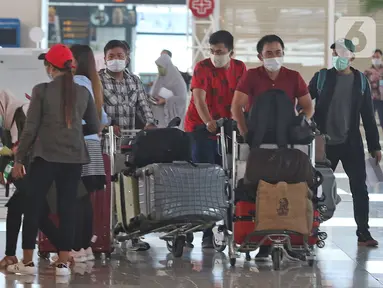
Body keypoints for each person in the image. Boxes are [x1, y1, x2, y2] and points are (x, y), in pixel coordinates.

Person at [7, 44, 100, 276]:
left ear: (50, 67)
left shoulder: (41, 90)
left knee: (33, 205)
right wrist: (72, 129)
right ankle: (63, 263)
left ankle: (27, 263)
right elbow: (95, 126)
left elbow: (29, 130)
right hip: (74, 157)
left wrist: (19, 159)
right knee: (68, 207)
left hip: (45, 156)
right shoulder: (83, 92)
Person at [231, 34, 314, 259]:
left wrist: (300, 124)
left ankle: (290, 235)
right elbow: (236, 106)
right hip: (257, 140)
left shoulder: (293, 77)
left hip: (287, 141)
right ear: (260, 56)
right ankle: (263, 237)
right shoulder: (251, 76)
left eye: (278, 52)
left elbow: (307, 106)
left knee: (287, 186)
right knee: (259, 187)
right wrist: (245, 131)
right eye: (269, 53)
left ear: (283, 53)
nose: (274, 57)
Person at [309, 38, 381, 247]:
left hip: (351, 143)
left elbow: (368, 115)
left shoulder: (360, 81)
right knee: (316, 188)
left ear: (352, 56)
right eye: (335, 53)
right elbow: (304, 100)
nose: (338, 56)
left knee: (359, 188)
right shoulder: (322, 77)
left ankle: (363, 233)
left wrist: (375, 146)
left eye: (342, 52)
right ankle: (312, 229)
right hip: (324, 143)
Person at [184, 30, 246, 248]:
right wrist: (208, 121)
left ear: (230, 51)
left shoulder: (240, 68)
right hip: (200, 128)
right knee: (204, 177)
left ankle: (228, 224)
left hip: (227, 129)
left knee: (228, 177)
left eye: (220, 51)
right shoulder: (202, 67)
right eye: (212, 51)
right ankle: (202, 231)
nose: (216, 55)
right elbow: (199, 99)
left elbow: (243, 98)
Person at [48, 44, 109, 263]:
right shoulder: (93, 83)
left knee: (74, 197)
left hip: (77, 144)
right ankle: (84, 248)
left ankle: (75, 247)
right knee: (84, 199)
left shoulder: (76, 83)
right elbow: (102, 119)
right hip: (92, 143)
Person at [99, 40, 154, 251]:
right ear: (105, 58)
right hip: (106, 145)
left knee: (130, 188)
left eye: (120, 56)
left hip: (130, 144)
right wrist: (108, 126)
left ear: (127, 57)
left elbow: (143, 105)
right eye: (111, 56)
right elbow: (96, 109)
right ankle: (108, 232)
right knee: (109, 190)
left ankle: (134, 235)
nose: (116, 60)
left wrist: (149, 123)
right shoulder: (98, 80)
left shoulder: (134, 81)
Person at [0, 90, 61, 269]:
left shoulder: (24, 112)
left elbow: (25, 146)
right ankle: (10, 255)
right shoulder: (8, 120)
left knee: (37, 213)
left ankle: (64, 252)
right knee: (16, 208)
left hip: (35, 168)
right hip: (23, 171)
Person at [150, 54, 187, 129]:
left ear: (167, 66)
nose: (159, 69)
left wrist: (165, 100)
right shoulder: (159, 78)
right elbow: (153, 92)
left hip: (171, 118)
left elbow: (182, 99)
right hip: (158, 116)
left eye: (160, 67)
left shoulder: (177, 80)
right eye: (158, 67)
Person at [365, 49, 383, 130]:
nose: (376, 59)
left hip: (382, 100)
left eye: (378, 57)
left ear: (381, 57)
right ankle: (372, 140)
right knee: (369, 121)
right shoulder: (367, 72)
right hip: (371, 99)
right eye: (374, 57)